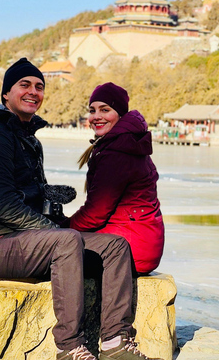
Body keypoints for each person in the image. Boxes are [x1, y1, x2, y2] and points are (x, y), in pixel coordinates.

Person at [0, 59, 166, 360]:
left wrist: (50, 199)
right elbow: (2, 205)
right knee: (66, 239)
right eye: (24, 85)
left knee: (115, 246)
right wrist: (54, 229)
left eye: (39, 86)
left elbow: (29, 196)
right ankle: (69, 349)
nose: (33, 92)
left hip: (30, 241)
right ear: (6, 93)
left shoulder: (29, 140)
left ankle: (116, 341)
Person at [66, 82, 165, 275]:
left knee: (54, 252)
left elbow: (95, 213)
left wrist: (62, 228)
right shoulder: (125, 142)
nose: (96, 117)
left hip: (129, 248)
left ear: (119, 114)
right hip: (143, 242)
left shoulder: (117, 152)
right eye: (92, 110)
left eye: (105, 109)